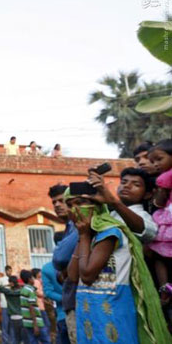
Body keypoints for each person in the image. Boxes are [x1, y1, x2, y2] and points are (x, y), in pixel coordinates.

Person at [65, 187, 171, 344]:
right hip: (88, 309)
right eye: (70, 204)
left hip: (112, 309)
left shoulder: (110, 232)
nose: (75, 208)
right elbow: (73, 276)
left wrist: (84, 236)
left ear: (96, 205)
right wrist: (83, 237)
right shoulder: (88, 234)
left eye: (81, 202)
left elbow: (86, 276)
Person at [48, 184, 77, 344]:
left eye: (61, 201)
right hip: (68, 301)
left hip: (76, 300)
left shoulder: (76, 226)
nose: (57, 205)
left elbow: (59, 258)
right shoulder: (69, 228)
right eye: (54, 202)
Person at [147, 139, 172, 302]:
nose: (156, 164)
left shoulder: (165, 177)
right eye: (153, 161)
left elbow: (159, 202)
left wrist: (157, 197)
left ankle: (165, 287)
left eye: (159, 159)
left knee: (157, 251)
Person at [42, 232, 69, 344]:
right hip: (69, 313)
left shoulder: (47, 268)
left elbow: (48, 292)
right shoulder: (77, 260)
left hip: (63, 314)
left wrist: (64, 299)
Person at [19, 269, 50, 344]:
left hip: (27, 322)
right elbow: (31, 307)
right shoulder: (31, 291)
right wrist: (35, 325)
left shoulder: (23, 290)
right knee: (46, 340)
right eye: (32, 278)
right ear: (29, 279)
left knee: (33, 341)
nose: (34, 280)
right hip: (35, 322)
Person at [0, 276, 23, 344]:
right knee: (19, 337)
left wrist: (6, 285)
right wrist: (20, 284)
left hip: (12, 316)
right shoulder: (21, 291)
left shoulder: (8, 292)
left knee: (13, 334)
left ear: (10, 283)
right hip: (21, 316)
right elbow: (33, 288)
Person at [0, 265, 12, 344]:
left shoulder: (12, 279)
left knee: (11, 323)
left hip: (11, 305)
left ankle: (11, 340)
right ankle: (5, 341)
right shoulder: (1, 279)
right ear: (6, 271)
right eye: (9, 271)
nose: (10, 272)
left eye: (11, 271)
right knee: (5, 323)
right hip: (4, 303)